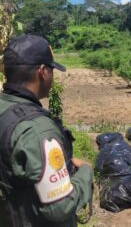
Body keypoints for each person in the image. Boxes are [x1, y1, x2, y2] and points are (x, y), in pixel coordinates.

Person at [0, 35, 93, 227]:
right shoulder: (38, 130)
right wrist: (85, 173)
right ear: (42, 72)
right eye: (52, 70)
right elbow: (59, 208)